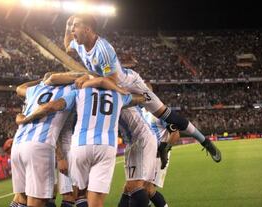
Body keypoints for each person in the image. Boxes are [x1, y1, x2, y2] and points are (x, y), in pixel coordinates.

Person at [64, 14, 221, 163]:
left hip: (131, 85)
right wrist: (67, 25)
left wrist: (89, 80)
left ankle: (205, 142)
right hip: (113, 89)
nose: (72, 30)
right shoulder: (81, 46)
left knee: (166, 114)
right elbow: (67, 47)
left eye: (75, 26)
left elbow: (111, 80)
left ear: (88, 29)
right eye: (72, 27)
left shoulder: (103, 50)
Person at [20, 86, 145, 207]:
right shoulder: (116, 94)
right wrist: (60, 158)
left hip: (75, 146)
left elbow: (49, 104)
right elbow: (142, 96)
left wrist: (26, 118)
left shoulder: (77, 92)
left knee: (74, 194)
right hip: (80, 148)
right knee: (68, 195)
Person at [11, 76, 75, 207]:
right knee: (38, 200)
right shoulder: (72, 90)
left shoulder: (37, 89)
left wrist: (41, 81)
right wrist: (28, 118)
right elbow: (50, 106)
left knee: (21, 197)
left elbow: (19, 88)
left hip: (18, 144)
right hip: (39, 145)